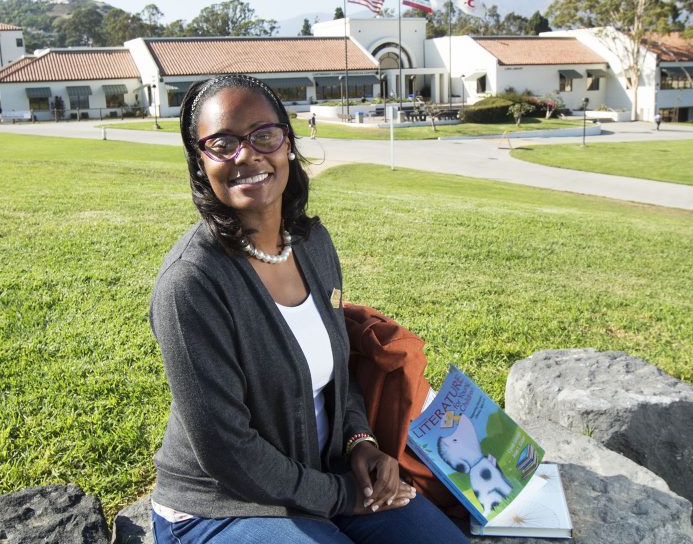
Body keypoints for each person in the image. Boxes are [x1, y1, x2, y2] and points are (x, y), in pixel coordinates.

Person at [149, 74, 466, 544]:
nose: (247, 155)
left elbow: (337, 370)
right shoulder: (190, 285)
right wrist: (341, 496)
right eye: (222, 143)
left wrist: (362, 442)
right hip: (221, 504)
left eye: (264, 135)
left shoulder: (313, 245)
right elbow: (228, 452)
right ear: (200, 162)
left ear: (288, 143)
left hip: (326, 477)